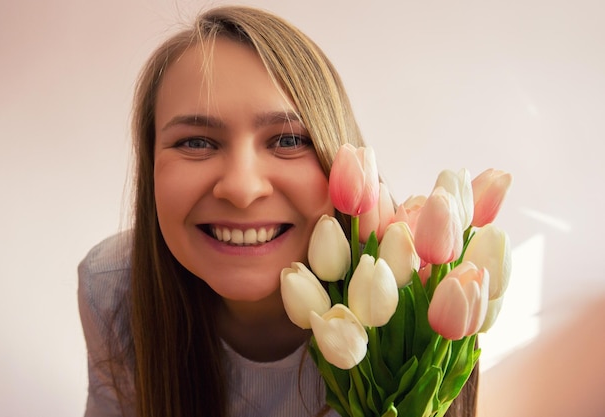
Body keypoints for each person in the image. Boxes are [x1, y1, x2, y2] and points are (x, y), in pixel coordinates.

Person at [78, 5, 478, 417]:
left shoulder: (427, 304)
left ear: (337, 154)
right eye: (196, 142)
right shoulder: (112, 291)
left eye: (287, 140)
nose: (242, 188)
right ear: (151, 166)